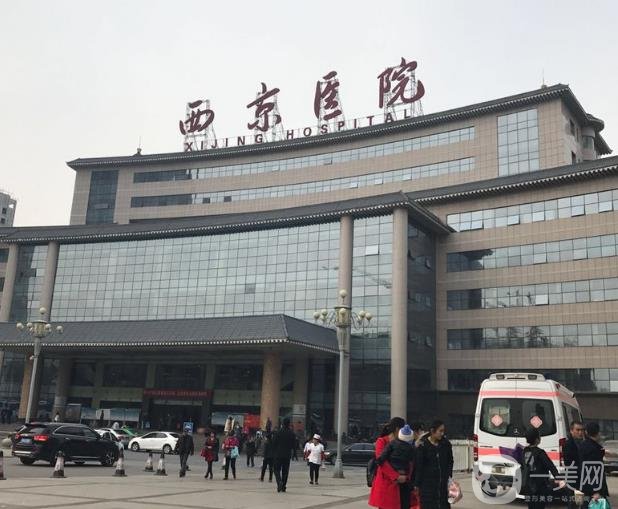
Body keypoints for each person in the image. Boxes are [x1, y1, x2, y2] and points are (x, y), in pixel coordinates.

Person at [519, 427, 564, 509]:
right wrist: (559, 478)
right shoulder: (540, 453)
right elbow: (550, 466)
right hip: (539, 486)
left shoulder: (524, 451)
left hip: (528, 486)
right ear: (537, 439)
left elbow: (522, 466)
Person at [413, 420, 454, 509]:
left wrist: (449, 476)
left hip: (443, 485)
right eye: (440, 431)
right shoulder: (423, 446)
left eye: (443, 431)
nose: (442, 433)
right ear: (432, 431)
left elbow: (450, 461)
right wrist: (416, 484)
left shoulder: (446, 444)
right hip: (427, 487)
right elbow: (419, 466)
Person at [368, 416, 407, 509]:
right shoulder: (382, 441)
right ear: (397, 429)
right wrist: (396, 476)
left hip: (402, 483)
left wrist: (407, 476)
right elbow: (382, 462)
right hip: (386, 484)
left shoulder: (404, 443)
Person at [579, 422, 609, 502]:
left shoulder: (582, 445)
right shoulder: (594, 449)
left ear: (586, 432)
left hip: (585, 485)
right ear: (598, 433)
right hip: (594, 489)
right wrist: (596, 491)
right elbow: (593, 471)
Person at [563, 420, 585, 509]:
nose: (580, 432)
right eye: (578, 430)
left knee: (582, 503)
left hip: (583, 479)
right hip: (573, 479)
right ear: (571, 431)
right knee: (573, 504)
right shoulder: (568, 444)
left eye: (582, 430)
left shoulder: (583, 443)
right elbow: (568, 463)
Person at [272, 417, 296, 493]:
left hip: (278, 454)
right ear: (289, 424)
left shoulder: (278, 432)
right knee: (285, 471)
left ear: (282, 423)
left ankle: (279, 481)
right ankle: (283, 486)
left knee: (276, 469)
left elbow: (274, 443)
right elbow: (294, 445)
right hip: (287, 455)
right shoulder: (292, 433)